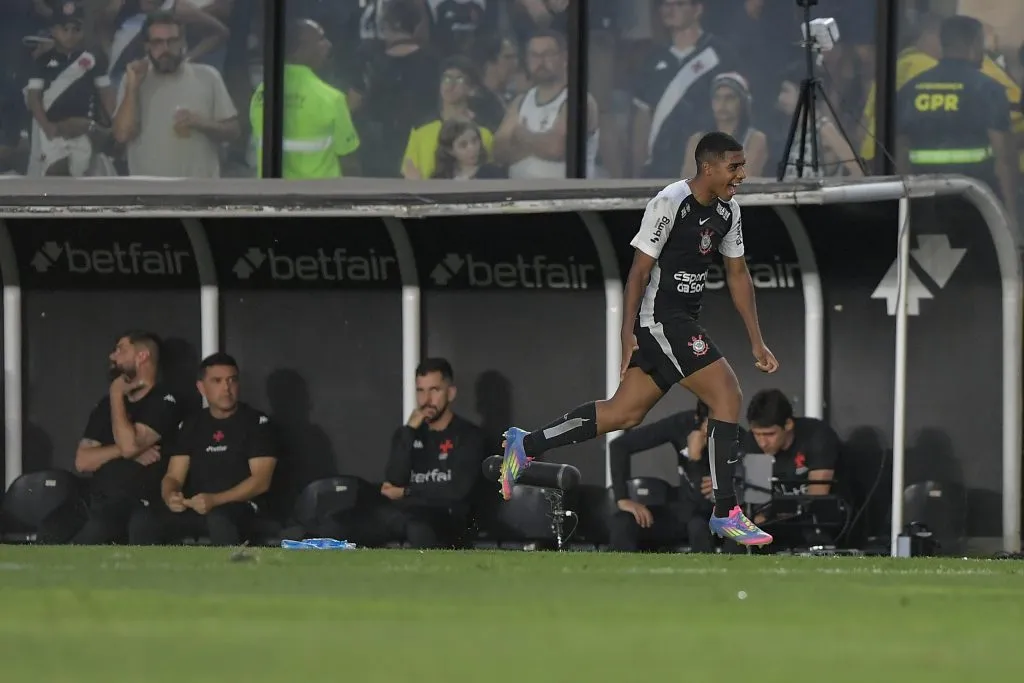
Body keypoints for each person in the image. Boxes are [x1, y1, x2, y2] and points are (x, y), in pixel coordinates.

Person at [499, 131, 778, 547]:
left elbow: (738, 274)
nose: (742, 174)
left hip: (679, 320)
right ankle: (725, 512)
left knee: (623, 414)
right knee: (727, 396)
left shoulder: (729, 211)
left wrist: (757, 340)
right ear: (708, 167)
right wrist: (628, 332)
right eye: (734, 166)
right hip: (662, 320)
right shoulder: (670, 202)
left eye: (742, 166)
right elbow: (639, 272)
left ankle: (526, 444)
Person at [129, 353, 278, 546]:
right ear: (201, 388)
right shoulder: (191, 424)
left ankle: (229, 575)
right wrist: (170, 496)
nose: (226, 388)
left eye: (231, 380)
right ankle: (147, 574)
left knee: (220, 519)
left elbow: (261, 482)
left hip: (240, 507)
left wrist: (216, 500)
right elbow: (173, 476)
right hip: (197, 506)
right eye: (217, 381)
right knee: (144, 519)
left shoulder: (257, 423)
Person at [896, 15, 1017, 225]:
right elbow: (1004, 159)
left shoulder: (911, 89)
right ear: (974, 44)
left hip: (925, 202)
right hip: (978, 201)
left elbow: (899, 153)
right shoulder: (988, 89)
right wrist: (1011, 216)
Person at [608, 400, 718, 553]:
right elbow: (619, 446)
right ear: (698, 419)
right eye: (710, 426)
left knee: (698, 527)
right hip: (682, 511)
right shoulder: (683, 424)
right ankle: (619, 575)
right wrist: (622, 498)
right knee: (623, 521)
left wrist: (695, 459)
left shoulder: (737, 440)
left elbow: (703, 500)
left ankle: (708, 576)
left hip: (712, 517)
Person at [744, 388, 844, 550]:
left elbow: (817, 498)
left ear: (788, 424)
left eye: (770, 434)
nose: (762, 443)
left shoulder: (817, 436)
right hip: (777, 522)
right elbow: (758, 503)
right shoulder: (751, 442)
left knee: (811, 530)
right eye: (758, 434)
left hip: (821, 521)